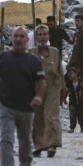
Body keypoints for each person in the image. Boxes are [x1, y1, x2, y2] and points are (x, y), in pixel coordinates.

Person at [0, 26, 46, 166]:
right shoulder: (3, 58)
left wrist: (38, 96)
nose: (18, 39)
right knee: (6, 139)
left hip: (26, 107)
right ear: (12, 38)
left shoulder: (33, 60)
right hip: (6, 105)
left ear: (26, 39)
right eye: (16, 36)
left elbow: (41, 81)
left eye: (21, 36)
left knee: (24, 141)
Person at [29, 25, 64, 158]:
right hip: (36, 87)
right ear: (36, 37)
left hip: (52, 87)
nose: (43, 37)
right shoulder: (31, 53)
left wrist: (63, 90)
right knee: (38, 117)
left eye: (45, 34)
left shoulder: (55, 52)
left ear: (48, 36)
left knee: (51, 114)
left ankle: (52, 145)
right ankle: (39, 145)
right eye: (40, 35)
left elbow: (60, 71)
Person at [65, 67, 83, 133]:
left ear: (76, 74)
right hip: (72, 102)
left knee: (80, 115)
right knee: (72, 116)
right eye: (68, 74)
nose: (70, 75)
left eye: (71, 73)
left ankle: (82, 127)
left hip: (80, 102)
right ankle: (72, 128)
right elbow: (66, 91)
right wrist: (64, 98)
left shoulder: (81, 82)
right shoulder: (69, 84)